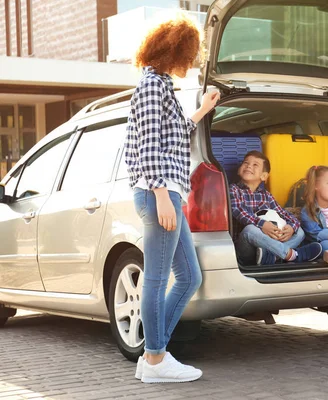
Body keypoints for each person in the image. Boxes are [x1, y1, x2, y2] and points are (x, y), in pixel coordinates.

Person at [124, 16, 220, 383]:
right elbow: (150, 150)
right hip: (157, 193)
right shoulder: (151, 86)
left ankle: (154, 353)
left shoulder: (161, 86)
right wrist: (163, 197)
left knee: (189, 277)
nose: (193, 61)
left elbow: (175, 135)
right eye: (191, 53)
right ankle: (155, 359)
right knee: (158, 278)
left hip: (168, 192)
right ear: (175, 50)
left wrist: (203, 109)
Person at [231, 151, 323, 266]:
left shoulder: (266, 196)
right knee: (250, 230)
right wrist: (262, 224)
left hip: (267, 247)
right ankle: (292, 255)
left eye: (255, 165)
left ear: (264, 176)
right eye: (246, 163)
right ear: (239, 170)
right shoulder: (233, 190)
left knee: (299, 232)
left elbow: (286, 215)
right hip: (246, 250)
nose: (249, 166)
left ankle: (271, 256)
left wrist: (291, 227)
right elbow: (238, 211)